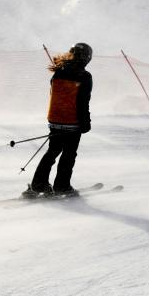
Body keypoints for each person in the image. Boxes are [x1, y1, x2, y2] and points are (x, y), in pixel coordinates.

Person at [23, 42, 93, 198]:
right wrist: (85, 123)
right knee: (69, 154)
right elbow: (83, 101)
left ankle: (38, 184)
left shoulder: (58, 72)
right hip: (72, 122)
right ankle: (62, 186)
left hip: (55, 118)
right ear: (87, 58)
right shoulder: (84, 76)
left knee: (52, 151)